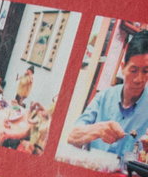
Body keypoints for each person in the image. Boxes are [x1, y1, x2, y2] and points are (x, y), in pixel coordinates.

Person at [63, 30, 148, 168]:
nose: (139, 79)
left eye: (146, 71)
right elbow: (72, 137)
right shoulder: (104, 97)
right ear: (123, 68)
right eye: (133, 70)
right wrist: (99, 129)